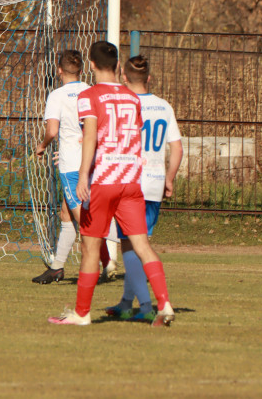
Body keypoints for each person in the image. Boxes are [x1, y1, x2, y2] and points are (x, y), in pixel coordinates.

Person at [48, 41, 174, 327]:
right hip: (131, 181)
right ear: (118, 65)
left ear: (91, 65)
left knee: (91, 248)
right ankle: (164, 303)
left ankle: (81, 313)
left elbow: (91, 136)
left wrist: (82, 176)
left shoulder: (90, 95)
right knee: (141, 244)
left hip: (103, 181)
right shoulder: (132, 98)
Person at [105, 55, 183, 322]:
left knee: (133, 246)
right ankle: (127, 303)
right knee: (135, 244)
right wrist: (169, 178)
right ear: (149, 78)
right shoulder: (164, 107)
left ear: (124, 78)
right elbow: (177, 147)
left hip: (131, 181)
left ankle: (151, 306)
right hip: (154, 182)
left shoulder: (125, 104)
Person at [32, 50, 86, 284]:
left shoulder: (56, 95)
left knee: (86, 224)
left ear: (59, 70)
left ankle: (130, 253)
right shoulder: (91, 91)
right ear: (82, 70)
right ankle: (57, 268)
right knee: (66, 214)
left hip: (72, 164)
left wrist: (42, 145)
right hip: (92, 160)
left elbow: (52, 131)